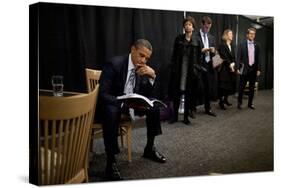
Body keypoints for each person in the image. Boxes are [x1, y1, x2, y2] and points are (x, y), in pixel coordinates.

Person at [99, 39, 166, 181]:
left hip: (132, 104)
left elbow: (147, 93)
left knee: (153, 107)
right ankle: (111, 162)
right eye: (141, 55)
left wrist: (152, 76)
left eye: (147, 58)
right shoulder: (114, 64)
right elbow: (103, 94)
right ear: (132, 50)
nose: (144, 61)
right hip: (115, 104)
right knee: (111, 111)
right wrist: (122, 104)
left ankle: (149, 148)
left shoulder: (141, 68)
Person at [168, 16, 204, 125]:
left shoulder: (197, 40)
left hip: (191, 71)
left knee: (188, 94)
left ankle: (185, 118)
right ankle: (174, 117)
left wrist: (197, 69)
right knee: (176, 93)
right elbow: (174, 54)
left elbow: (199, 56)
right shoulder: (178, 38)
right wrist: (173, 67)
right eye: (186, 24)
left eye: (190, 24)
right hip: (179, 69)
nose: (187, 26)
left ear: (193, 27)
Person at [196, 16, 217, 116]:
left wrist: (213, 51)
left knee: (208, 88)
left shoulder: (212, 37)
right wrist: (201, 51)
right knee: (196, 87)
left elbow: (215, 53)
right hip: (198, 64)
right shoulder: (195, 36)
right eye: (206, 27)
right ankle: (191, 109)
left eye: (209, 28)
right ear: (202, 25)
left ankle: (208, 108)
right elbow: (192, 52)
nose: (207, 30)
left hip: (209, 64)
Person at [237, 27, 261, 110]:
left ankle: (250, 103)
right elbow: (238, 57)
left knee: (251, 88)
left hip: (253, 69)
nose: (252, 35)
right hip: (244, 69)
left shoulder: (257, 45)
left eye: (253, 34)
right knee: (241, 87)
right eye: (250, 33)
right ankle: (239, 103)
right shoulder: (241, 44)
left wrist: (258, 69)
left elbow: (258, 58)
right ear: (247, 35)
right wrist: (237, 68)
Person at [217, 29, 237, 110]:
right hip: (224, 69)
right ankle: (221, 102)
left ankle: (225, 99)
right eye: (230, 34)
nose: (232, 35)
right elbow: (224, 56)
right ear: (226, 35)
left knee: (229, 86)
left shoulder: (231, 46)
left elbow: (233, 57)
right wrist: (230, 65)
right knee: (223, 86)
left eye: (232, 34)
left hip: (231, 69)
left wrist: (234, 64)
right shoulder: (222, 45)